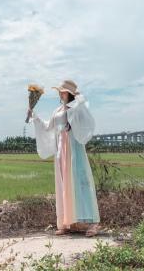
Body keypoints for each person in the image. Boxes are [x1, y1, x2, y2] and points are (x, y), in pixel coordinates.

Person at [26, 80, 101, 236]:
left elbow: (83, 107)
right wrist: (33, 114)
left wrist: (77, 95)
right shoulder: (57, 110)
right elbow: (48, 127)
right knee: (64, 184)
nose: (60, 93)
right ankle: (67, 222)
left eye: (64, 91)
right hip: (61, 149)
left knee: (80, 182)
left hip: (74, 148)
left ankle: (93, 222)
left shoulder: (77, 107)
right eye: (60, 91)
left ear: (70, 94)